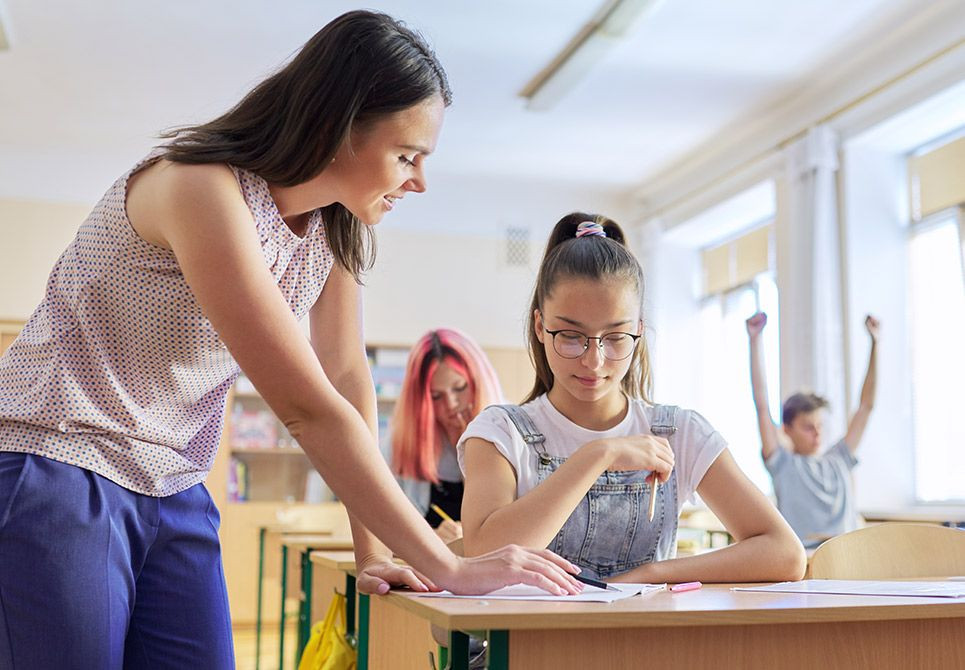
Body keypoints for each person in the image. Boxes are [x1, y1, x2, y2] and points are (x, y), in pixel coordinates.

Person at [0, 11, 581, 669]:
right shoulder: (200, 189)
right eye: (406, 155)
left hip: (174, 482)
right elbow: (306, 407)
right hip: (60, 461)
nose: (418, 180)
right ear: (339, 127)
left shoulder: (334, 228)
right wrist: (447, 565)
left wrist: (377, 555)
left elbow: (344, 377)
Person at [458, 213, 806, 584]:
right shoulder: (500, 432)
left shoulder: (678, 431)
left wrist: (653, 573)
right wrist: (598, 456)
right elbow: (483, 553)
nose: (594, 360)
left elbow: (784, 554)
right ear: (540, 326)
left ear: (639, 330)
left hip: (648, 640)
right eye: (571, 336)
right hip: (531, 641)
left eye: (615, 337)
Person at [746, 311, 880, 547]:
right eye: (808, 427)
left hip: (848, 558)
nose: (817, 433)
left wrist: (875, 344)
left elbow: (866, 406)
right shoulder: (783, 464)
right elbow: (762, 406)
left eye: (820, 426)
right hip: (806, 560)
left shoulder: (838, 459)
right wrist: (755, 341)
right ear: (787, 429)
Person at [391, 328, 503, 543]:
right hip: (428, 566)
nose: (451, 405)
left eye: (460, 388)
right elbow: (386, 529)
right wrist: (431, 538)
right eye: (436, 396)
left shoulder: (510, 434)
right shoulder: (402, 444)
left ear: (479, 383)